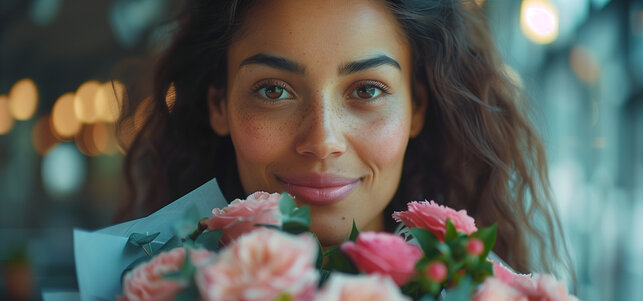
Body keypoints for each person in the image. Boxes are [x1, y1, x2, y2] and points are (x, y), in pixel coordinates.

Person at [116, 0, 573, 278]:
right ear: (220, 106)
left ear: (417, 107)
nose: (322, 139)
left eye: (367, 90)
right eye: (273, 90)